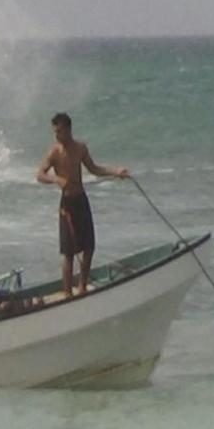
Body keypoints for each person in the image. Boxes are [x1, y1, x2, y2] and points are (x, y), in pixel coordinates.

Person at [36, 112, 129, 298]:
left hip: (81, 200)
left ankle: (83, 287)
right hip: (67, 204)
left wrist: (116, 172)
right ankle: (68, 294)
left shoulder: (80, 148)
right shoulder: (55, 152)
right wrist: (55, 179)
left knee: (89, 247)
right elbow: (39, 174)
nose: (57, 135)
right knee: (68, 252)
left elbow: (95, 169)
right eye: (55, 132)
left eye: (59, 131)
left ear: (68, 129)